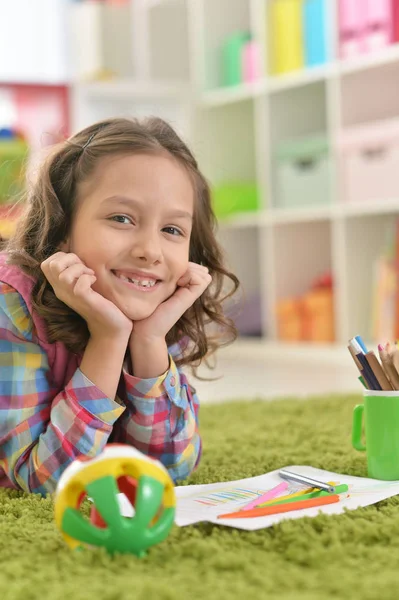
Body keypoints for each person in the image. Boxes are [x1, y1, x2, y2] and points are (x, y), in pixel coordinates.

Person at [0, 117, 239, 496]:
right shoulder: (12, 303)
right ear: (62, 229)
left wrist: (147, 341)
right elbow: (44, 482)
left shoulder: (158, 305)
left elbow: (171, 466)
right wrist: (109, 339)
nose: (150, 251)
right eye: (122, 219)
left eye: (172, 230)